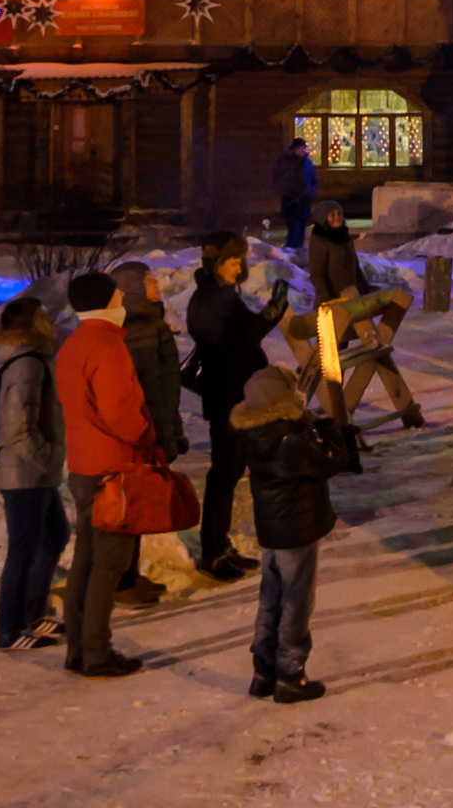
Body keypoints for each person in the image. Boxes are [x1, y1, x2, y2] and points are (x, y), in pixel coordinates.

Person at [53, 270, 158, 678]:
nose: (123, 299)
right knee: (109, 565)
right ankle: (97, 653)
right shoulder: (107, 345)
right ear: (108, 302)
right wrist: (146, 435)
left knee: (85, 559)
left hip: (82, 464)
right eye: (118, 295)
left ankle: (78, 648)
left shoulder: (74, 344)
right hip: (112, 468)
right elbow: (119, 412)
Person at [228, 364, 338, 704]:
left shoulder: (257, 433)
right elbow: (332, 460)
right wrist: (332, 429)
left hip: (272, 531)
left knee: (270, 598)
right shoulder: (291, 438)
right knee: (296, 601)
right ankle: (290, 673)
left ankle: (263, 670)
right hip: (297, 529)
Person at [187, 233, 289, 583]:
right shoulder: (206, 301)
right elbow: (234, 347)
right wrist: (269, 316)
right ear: (216, 265)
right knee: (223, 474)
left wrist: (268, 314)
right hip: (226, 398)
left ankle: (221, 543)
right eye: (232, 262)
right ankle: (211, 553)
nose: (239, 267)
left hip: (238, 395)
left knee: (230, 472)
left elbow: (245, 334)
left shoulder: (224, 295)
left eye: (240, 261)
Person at [0, 296, 67, 648]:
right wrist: (47, 457)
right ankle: (10, 628)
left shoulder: (32, 360)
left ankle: (34, 615)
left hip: (34, 471)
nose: (50, 320)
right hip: (24, 473)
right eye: (43, 315)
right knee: (23, 550)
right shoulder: (26, 366)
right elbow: (18, 427)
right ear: (30, 324)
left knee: (55, 535)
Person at [306, 200, 425, 429]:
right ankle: (328, 396)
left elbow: (355, 267)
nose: (337, 217)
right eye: (331, 215)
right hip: (333, 304)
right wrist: (325, 302)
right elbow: (318, 275)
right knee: (329, 354)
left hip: (352, 302)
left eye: (338, 213)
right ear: (323, 219)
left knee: (361, 348)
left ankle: (337, 400)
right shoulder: (319, 241)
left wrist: (366, 287)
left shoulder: (344, 237)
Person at [108, 261, 182, 605]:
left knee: (137, 506)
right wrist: (161, 435)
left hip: (155, 427)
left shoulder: (150, 320)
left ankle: (129, 575)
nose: (157, 281)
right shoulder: (137, 327)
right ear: (135, 287)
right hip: (144, 433)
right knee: (131, 506)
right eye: (149, 278)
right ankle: (121, 582)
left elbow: (166, 386)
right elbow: (149, 389)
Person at [272, 137, 317, 252]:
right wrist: (291, 194)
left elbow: (313, 180)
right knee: (294, 230)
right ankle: (289, 255)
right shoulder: (286, 163)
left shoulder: (307, 163)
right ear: (295, 149)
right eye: (301, 148)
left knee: (301, 231)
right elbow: (278, 182)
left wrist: (311, 193)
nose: (303, 151)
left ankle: (298, 256)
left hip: (304, 203)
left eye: (304, 148)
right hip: (291, 202)